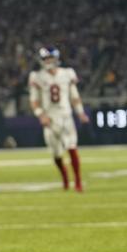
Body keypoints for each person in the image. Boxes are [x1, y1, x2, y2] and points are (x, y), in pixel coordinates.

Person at [28, 46, 90, 191]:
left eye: (50, 58)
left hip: (66, 116)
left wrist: (80, 113)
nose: (48, 61)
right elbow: (34, 100)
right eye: (46, 58)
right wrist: (41, 115)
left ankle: (78, 182)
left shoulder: (67, 73)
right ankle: (65, 180)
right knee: (56, 153)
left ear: (56, 59)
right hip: (49, 119)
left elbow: (74, 96)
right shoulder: (37, 76)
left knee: (72, 147)